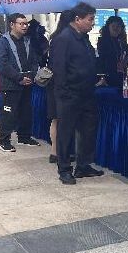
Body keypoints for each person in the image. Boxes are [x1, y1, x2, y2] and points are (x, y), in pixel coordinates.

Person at [50, 2, 104, 185]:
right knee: (66, 133)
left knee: (88, 130)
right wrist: (65, 93)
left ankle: (83, 165)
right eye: (90, 19)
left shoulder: (84, 38)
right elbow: (59, 69)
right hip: (70, 95)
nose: (93, 23)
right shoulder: (64, 38)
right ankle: (64, 169)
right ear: (77, 19)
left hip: (87, 93)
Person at [0, 13, 41, 152]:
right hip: (11, 84)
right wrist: (19, 78)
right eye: (21, 23)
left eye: (26, 24)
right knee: (8, 113)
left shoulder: (27, 41)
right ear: (12, 25)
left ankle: (24, 137)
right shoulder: (3, 42)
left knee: (26, 112)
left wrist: (31, 75)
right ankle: (4, 140)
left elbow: (34, 61)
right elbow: (3, 64)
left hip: (27, 83)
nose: (25, 26)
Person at [46, 10, 75, 164]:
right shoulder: (64, 39)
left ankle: (55, 152)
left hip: (54, 84)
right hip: (61, 85)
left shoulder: (55, 38)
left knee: (56, 119)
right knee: (59, 120)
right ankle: (58, 153)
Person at [97, 15, 128, 89]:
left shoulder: (121, 41)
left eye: (118, 26)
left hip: (121, 76)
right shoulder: (103, 41)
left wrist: (124, 62)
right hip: (108, 76)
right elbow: (104, 58)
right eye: (113, 26)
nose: (116, 28)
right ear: (108, 27)